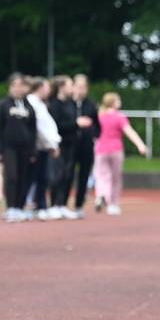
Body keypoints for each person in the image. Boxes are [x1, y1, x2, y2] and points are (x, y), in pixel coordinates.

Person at [93, 92, 147, 215]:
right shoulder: (119, 117)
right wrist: (140, 144)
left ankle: (102, 195)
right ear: (113, 102)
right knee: (115, 178)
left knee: (102, 176)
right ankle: (113, 204)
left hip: (101, 150)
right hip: (116, 150)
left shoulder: (99, 116)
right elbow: (129, 132)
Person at [0, 73, 36, 222]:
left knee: (24, 177)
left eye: (20, 86)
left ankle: (20, 206)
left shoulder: (28, 106)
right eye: (15, 85)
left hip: (25, 148)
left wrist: (33, 150)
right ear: (10, 87)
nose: (18, 89)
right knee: (12, 176)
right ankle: (10, 207)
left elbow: (33, 129)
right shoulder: (3, 105)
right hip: (9, 147)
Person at [26, 77, 61, 220]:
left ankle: (39, 205)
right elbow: (39, 127)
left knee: (42, 178)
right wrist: (51, 144)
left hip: (43, 146)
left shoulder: (40, 103)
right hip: (37, 146)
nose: (49, 90)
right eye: (47, 87)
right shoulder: (32, 102)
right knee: (35, 177)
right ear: (39, 87)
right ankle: (32, 205)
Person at [47, 75, 80, 220]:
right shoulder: (54, 104)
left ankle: (63, 204)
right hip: (59, 144)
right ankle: (54, 204)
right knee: (57, 175)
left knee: (68, 175)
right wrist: (76, 124)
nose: (72, 88)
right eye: (70, 85)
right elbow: (56, 126)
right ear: (61, 87)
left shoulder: (71, 103)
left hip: (71, 144)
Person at [70, 74, 100, 217]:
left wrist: (94, 137)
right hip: (69, 145)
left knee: (83, 176)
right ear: (73, 87)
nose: (81, 90)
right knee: (66, 174)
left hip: (86, 146)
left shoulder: (91, 104)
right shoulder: (66, 103)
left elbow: (98, 125)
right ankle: (60, 203)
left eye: (84, 87)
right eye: (79, 86)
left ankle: (79, 205)